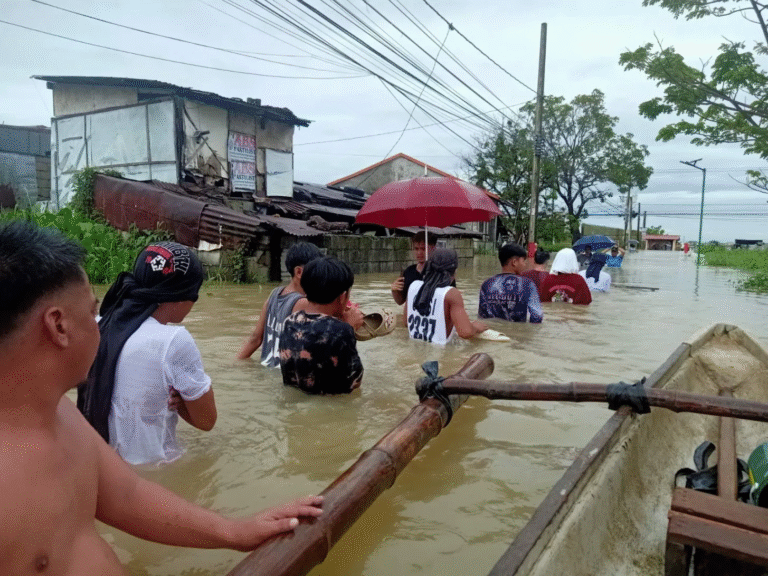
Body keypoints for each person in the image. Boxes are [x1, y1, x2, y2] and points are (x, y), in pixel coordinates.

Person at [0, 221, 323, 575]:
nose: (100, 324)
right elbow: (207, 420)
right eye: (91, 313)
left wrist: (236, 531)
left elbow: (127, 495)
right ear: (58, 326)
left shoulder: (61, 414)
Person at [76, 241, 217, 466]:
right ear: (184, 296)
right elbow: (207, 420)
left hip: (100, 467)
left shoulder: (97, 326)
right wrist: (180, 401)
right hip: (155, 473)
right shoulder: (174, 340)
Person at [279, 256, 364, 394]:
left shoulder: (289, 321)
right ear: (343, 297)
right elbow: (355, 381)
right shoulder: (341, 331)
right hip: (330, 406)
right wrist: (350, 328)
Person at [237, 242, 321, 366]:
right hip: (285, 377)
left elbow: (255, 338)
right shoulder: (303, 303)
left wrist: (236, 362)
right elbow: (320, 343)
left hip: (267, 367)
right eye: (317, 270)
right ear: (299, 272)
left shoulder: (274, 295)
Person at [406, 248, 488, 344]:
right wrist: (475, 327)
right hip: (439, 356)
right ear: (454, 270)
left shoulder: (413, 286)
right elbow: (465, 332)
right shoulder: (452, 294)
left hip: (414, 348)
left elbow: (405, 322)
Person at [478, 243, 543, 323]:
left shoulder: (487, 284)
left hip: (493, 333)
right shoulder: (528, 284)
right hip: (518, 333)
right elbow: (537, 316)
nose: (525, 264)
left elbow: (482, 316)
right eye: (523, 260)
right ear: (514, 262)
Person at [390, 230, 437, 305]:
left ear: (433, 248)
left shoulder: (441, 272)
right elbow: (400, 301)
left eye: (423, 249)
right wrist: (394, 290)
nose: (419, 253)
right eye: (416, 249)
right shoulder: (408, 271)